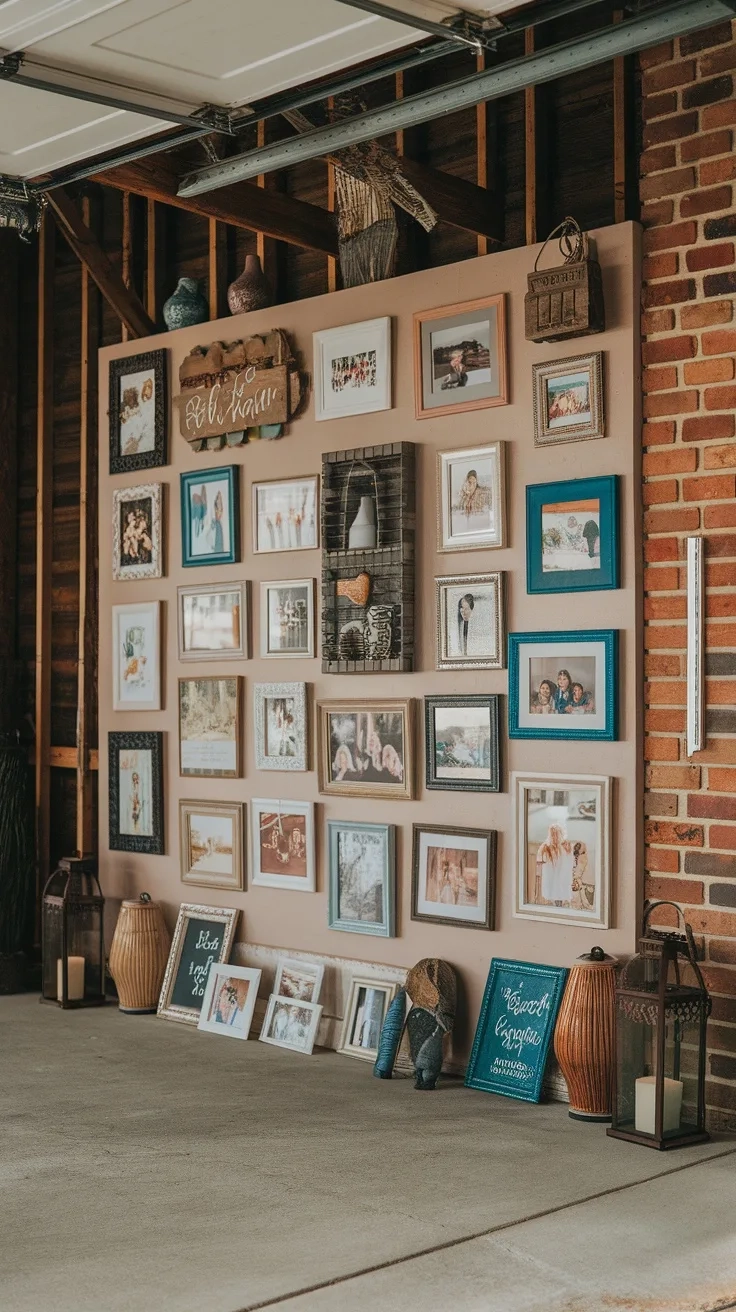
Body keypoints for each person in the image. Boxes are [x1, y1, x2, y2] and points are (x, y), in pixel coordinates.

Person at [536, 823, 574, 905]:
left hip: (562, 875)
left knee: (561, 892)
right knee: (554, 893)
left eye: (557, 834)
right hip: (552, 875)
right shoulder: (546, 846)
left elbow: (570, 861)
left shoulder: (566, 846)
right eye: (553, 834)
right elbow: (539, 859)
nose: (555, 837)